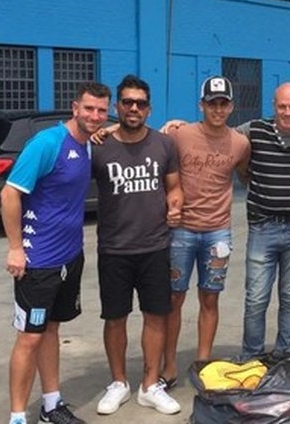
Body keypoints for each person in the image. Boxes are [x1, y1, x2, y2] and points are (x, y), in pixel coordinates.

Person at [1, 81, 110, 424]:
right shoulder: (47, 143)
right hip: (38, 262)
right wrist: (16, 249)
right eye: (89, 108)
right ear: (74, 107)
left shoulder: (89, 143)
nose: (95, 115)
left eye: (101, 110)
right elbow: (9, 194)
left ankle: (51, 405)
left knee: (51, 330)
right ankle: (18, 417)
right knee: (29, 338)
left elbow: (120, 129)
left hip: (69, 257)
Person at [92, 74, 183, 416]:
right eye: (127, 102)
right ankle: (118, 383)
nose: (134, 108)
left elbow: (174, 187)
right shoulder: (99, 145)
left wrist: (175, 205)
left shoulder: (163, 144)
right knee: (115, 318)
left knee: (156, 316)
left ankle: (149, 384)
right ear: (118, 106)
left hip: (155, 245)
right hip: (114, 248)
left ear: (149, 108)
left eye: (140, 103)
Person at [159, 75, 250, 389]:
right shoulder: (179, 135)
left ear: (231, 106)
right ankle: (168, 364)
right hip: (181, 231)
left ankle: (203, 362)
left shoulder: (239, 143)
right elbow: (150, 149)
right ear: (202, 105)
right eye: (212, 103)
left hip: (218, 234)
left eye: (224, 103)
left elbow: (248, 174)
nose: (218, 109)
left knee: (210, 300)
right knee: (174, 298)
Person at [238, 82, 290, 359]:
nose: (287, 112)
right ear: (273, 106)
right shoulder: (254, 130)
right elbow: (217, 136)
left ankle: (285, 354)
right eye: (282, 106)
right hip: (263, 227)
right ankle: (252, 357)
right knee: (256, 300)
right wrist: (178, 126)